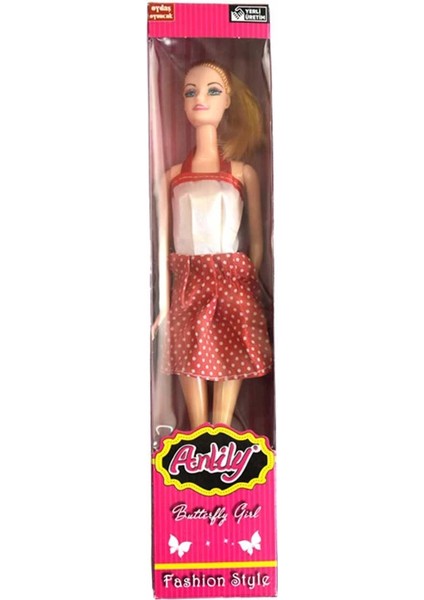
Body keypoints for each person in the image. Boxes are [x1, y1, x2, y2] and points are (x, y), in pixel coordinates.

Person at [152, 60, 272, 429]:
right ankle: (198, 438)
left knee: (230, 354)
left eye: (212, 90)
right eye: (190, 92)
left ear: (228, 101)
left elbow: (257, 241)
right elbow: (162, 244)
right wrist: (163, 304)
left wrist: (247, 282)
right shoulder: (171, 176)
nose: (199, 98)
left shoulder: (242, 173)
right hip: (188, 281)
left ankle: (222, 437)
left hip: (232, 279)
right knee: (190, 358)